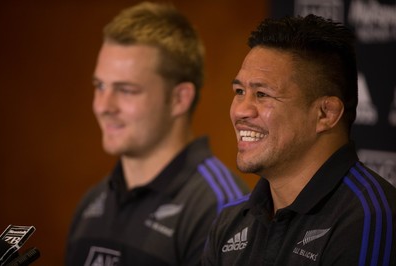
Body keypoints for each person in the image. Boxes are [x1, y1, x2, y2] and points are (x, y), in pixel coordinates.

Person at [202, 14, 396, 265]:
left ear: (325, 114)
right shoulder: (231, 220)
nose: (240, 111)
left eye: (262, 94)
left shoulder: (372, 217)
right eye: (240, 91)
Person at [65, 2, 249, 265]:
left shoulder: (223, 209)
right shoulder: (92, 201)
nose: (103, 106)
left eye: (126, 90)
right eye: (100, 86)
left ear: (179, 99)